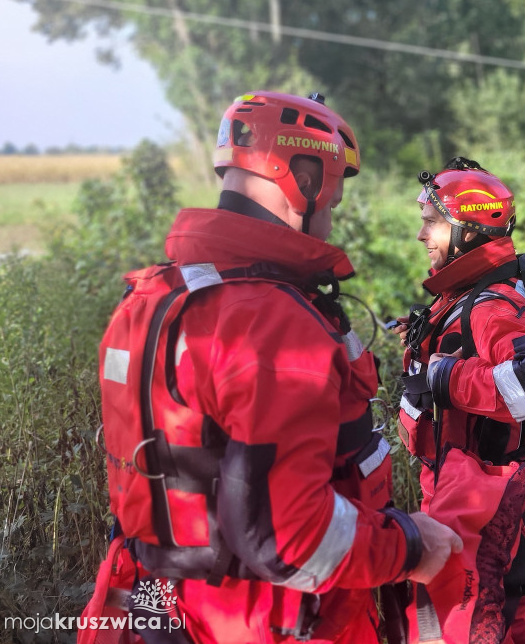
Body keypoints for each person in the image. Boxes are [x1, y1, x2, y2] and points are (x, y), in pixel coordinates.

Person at [89, 91, 462, 644]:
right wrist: (413, 545)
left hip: (147, 607)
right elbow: (290, 540)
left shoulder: (152, 298)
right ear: (303, 184)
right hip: (258, 622)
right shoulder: (270, 324)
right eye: (331, 202)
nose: (330, 221)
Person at [396, 158, 525, 644]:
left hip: (482, 494)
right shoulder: (477, 290)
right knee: (506, 621)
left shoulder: (491, 304)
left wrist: (445, 376)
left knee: (459, 625)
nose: (421, 234)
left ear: (468, 230)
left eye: (431, 222)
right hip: (490, 486)